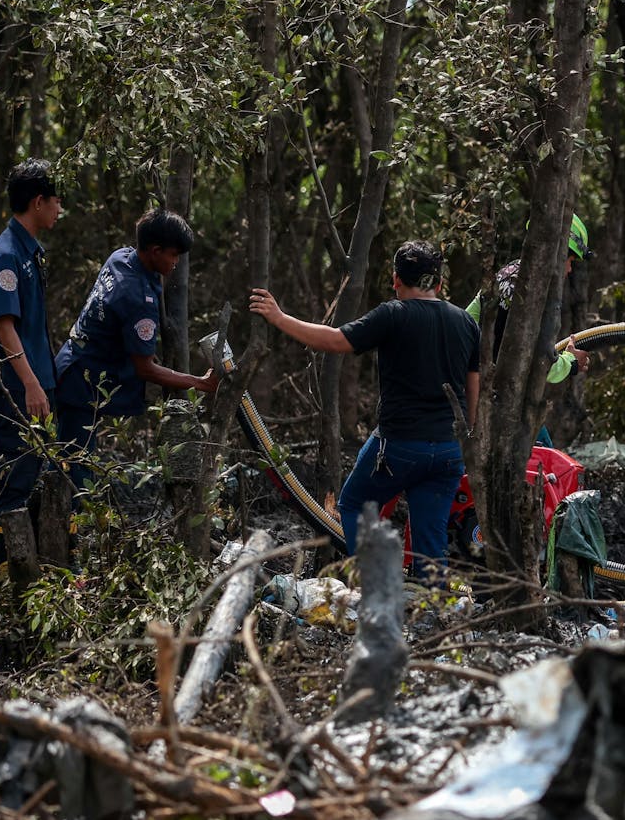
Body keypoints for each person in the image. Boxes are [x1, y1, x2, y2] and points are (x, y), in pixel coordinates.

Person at [249, 241, 479, 577]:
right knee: (431, 539)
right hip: (448, 450)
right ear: (439, 283)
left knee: (354, 505)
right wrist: (467, 435)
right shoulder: (465, 322)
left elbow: (334, 341)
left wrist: (279, 317)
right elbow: (474, 383)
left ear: (396, 279)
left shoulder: (393, 314)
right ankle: (431, 614)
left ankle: (372, 583)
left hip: (399, 444)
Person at [54, 209, 220, 498]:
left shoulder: (121, 257)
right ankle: (66, 537)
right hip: (81, 385)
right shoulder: (135, 298)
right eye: (173, 255)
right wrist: (198, 383)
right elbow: (145, 369)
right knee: (73, 472)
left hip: (72, 362)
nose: (176, 262)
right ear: (155, 250)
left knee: (71, 460)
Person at [0, 159, 63, 573]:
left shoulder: (29, 253)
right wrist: (30, 384)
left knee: (32, 481)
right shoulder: (6, 256)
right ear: (38, 201)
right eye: (56, 200)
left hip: (34, 387)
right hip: (13, 390)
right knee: (8, 486)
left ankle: (27, 582)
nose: (60, 208)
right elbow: (4, 326)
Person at [465, 215, 591, 446]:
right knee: (548, 462)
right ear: (557, 254)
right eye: (569, 261)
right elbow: (538, 364)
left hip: (473, 393)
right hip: (507, 405)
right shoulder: (539, 294)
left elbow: (468, 318)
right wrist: (570, 362)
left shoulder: (507, 272)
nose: (570, 269)